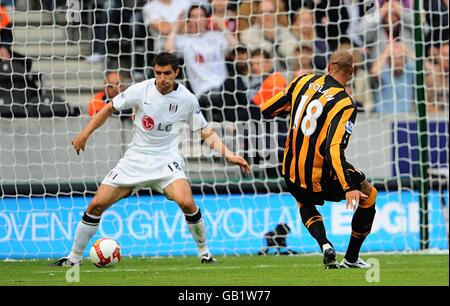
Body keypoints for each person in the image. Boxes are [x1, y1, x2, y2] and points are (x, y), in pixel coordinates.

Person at [52, 52, 250, 266]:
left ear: (176, 73)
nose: (162, 78)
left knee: (186, 202)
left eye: (167, 73)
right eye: (158, 73)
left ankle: (205, 254)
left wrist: (229, 154)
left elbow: (204, 131)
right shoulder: (141, 90)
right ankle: (73, 258)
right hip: (136, 159)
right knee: (96, 205)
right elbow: (109, 108)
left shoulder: (187, 99)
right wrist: (84, 134)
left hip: (166, 159)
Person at [261, 49, 378, 269]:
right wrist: (348, 187)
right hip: (322, 175)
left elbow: (266, 109)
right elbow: (333, 148)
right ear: (351, 73)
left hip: (291, 170)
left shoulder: (302, 81)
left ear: (328, 67)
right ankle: (351, 258)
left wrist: (296, 109)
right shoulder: (345, 103)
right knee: (369, 196)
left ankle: (324, 244)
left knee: (304, 201)